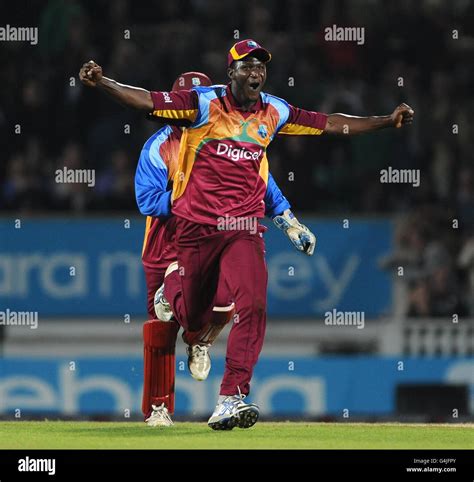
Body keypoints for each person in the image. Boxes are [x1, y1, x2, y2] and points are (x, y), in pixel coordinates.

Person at [79, 38, 414, 430]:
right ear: (230, 72)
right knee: (192, 319)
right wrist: (104, 83)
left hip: (243, 228)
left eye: (260, 66)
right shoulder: (200, 107)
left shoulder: (274, 111)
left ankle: (231, 396)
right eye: (246, 66)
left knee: (251, 302)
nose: (254, 72)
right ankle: (171, 302)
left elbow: (330, 124)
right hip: (194, 231)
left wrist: (384, 122)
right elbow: (146, 101)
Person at [133, 71, 316, 427]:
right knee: (160, 328)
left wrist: (289, 221)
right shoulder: (157, 148)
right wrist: (196, 196)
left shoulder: (233, 133)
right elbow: (147, 199)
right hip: (164, 243)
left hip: (211, 233)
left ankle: (200, 339)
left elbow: (262, 185)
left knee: (226, 301)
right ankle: (158, 408)